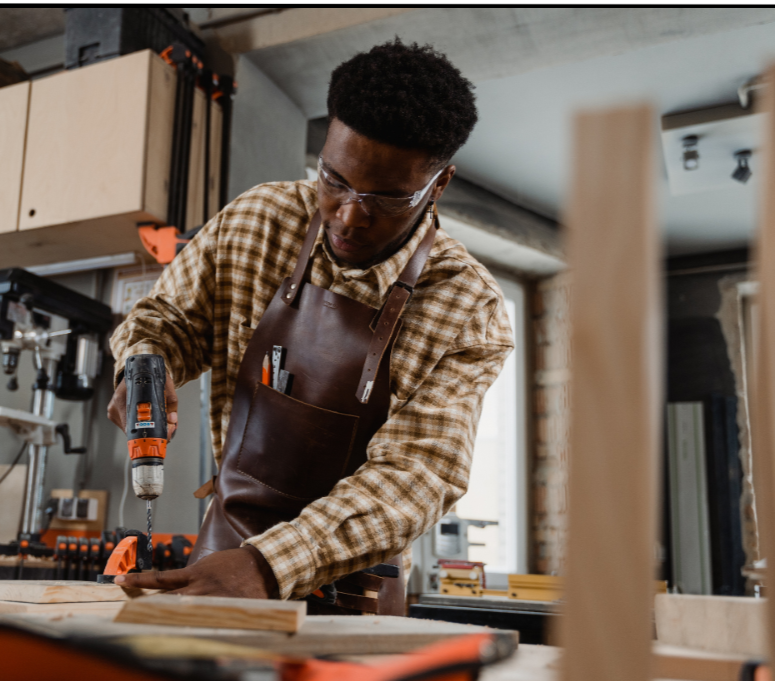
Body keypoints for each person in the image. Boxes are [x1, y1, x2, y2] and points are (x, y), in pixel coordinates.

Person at [107, 40, 513, 613]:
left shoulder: (468, 306)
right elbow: (168, 319)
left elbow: (417, 473)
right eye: (334, 179)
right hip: (225, 551)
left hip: (357, 584)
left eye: (387, 199)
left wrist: (267, 567)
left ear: (438, 184)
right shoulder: (260, 219)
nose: (347, 215)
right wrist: (147, 360)